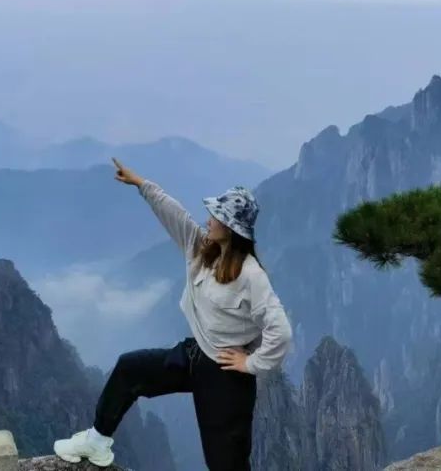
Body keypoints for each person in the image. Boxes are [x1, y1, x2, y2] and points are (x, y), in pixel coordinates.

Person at [53, 157, 293, 470]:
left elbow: (281, 331)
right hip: (195, 355)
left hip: (226, 375)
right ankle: (98, 441)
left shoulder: (251, 275)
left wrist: (250, 363)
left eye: (217, 216)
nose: (209, 218)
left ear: (232, 229)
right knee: (130, 369)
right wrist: (141, 184)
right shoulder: (202, 249)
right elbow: (174, 213)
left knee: (226, 463)